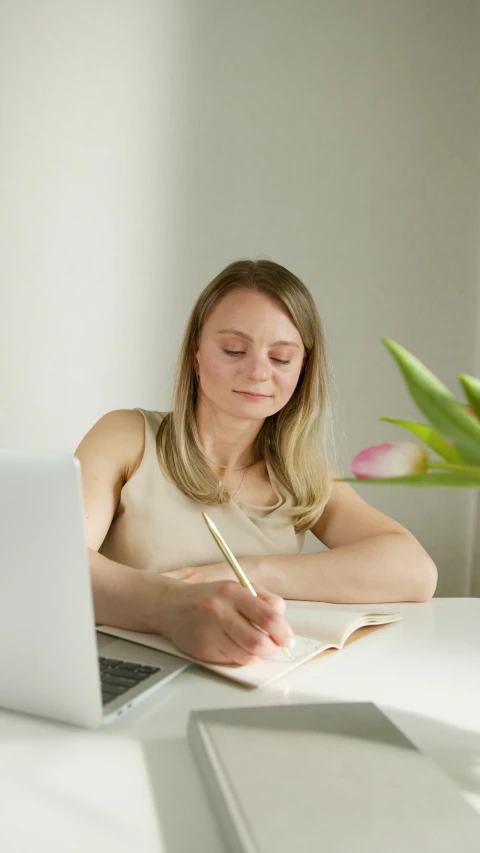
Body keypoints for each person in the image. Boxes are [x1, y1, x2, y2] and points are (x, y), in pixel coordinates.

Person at [75, 259, 437, 666]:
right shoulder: (126, 436)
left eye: (282, 358)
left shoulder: (301, 476)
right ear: (195, 352)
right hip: (120, 673)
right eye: (233, 350)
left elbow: (416, 572)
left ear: (303, 370)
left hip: (253, 680)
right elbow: (57, 560)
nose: (257, 372)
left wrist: (247, 572)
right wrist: (172, 606)